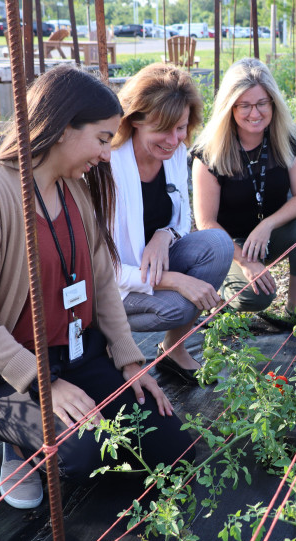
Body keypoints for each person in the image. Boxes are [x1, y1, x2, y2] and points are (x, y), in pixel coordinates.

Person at [0, 66, 195, 511]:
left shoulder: (75, 190)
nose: (108, 153)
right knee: (87, 454)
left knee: (173, 444)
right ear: (60, 129)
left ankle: (61, 416)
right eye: (101, 138)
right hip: (4, 376)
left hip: (77, 353)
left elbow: (104, 285)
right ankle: (16, 446)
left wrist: (131, 360)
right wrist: (43, 382)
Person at [110, 63, 233, 383]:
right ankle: (109, 350)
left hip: (155, 263)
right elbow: (102, 268)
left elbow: (182, 216)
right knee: (178, 305)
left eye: (181, 127)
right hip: (112, 284)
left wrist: (163, 236)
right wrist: (176, 281)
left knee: (218, 245)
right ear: (135, 120)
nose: (174, 139)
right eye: (163, 129)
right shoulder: (107, 165)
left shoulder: (175, 151)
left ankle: (173, 349)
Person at [191, 58, 296, 327]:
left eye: (262, 103)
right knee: (257, 297)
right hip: (227, 244)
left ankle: (294, 311)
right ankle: (220, 296)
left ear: (273, 102)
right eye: (245, 105)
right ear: (230, 107)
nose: (255, 113)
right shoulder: (209, 153)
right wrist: (245, 262)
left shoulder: (288, 139)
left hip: (268, 235)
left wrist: (266, 225)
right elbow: (206, 223)